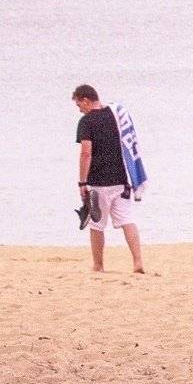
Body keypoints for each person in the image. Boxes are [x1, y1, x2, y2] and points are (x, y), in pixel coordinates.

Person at [73, 83, 145, 274]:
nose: (79, 110)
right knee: (128, 220)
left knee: (96, 224)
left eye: (79, 105)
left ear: (86, 100)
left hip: (98, 181)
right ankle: (138, 262)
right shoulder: (115, 116)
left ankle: (98, 266)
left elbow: (86, 153)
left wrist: (82, 182)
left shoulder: (86, 122)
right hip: (122, 179)